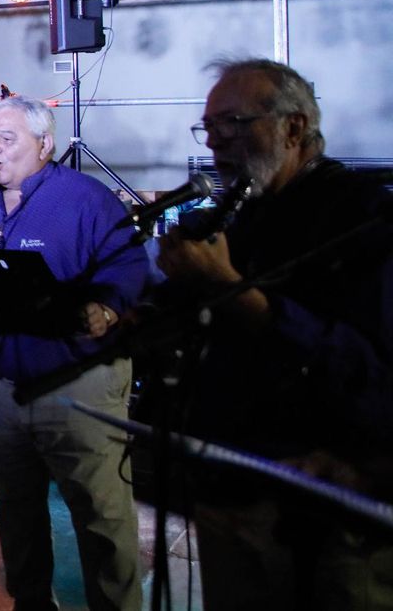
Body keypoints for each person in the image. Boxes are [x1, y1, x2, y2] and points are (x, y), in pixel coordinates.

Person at [157, 59, 393, 610]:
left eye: (233, 124)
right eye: (208, 128)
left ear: (293, 127)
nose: (215, 142)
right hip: (232, 486)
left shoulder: (364, 216)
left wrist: (228, 286)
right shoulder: (246, 212)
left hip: (326, 513)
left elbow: (366, 367)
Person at [0, 95, 147, 611]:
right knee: (15, 509)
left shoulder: (87, 199)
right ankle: (31, 602)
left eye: (7, 139)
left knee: (101, 515)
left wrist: (107, 308)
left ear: (45, 144)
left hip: (77, 384)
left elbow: (129, 268)